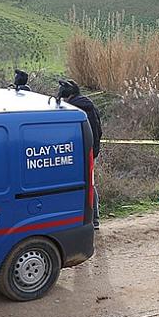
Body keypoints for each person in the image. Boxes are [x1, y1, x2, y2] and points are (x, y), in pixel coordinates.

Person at [58, 79, 102, 230]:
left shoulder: (72, 109)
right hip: (90, 151)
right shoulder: (89, 106)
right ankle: (94, 219)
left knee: (79, 184)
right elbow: (99, 130)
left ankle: (82, 218)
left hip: (79, 152)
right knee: (90, 183)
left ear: (68, 94)